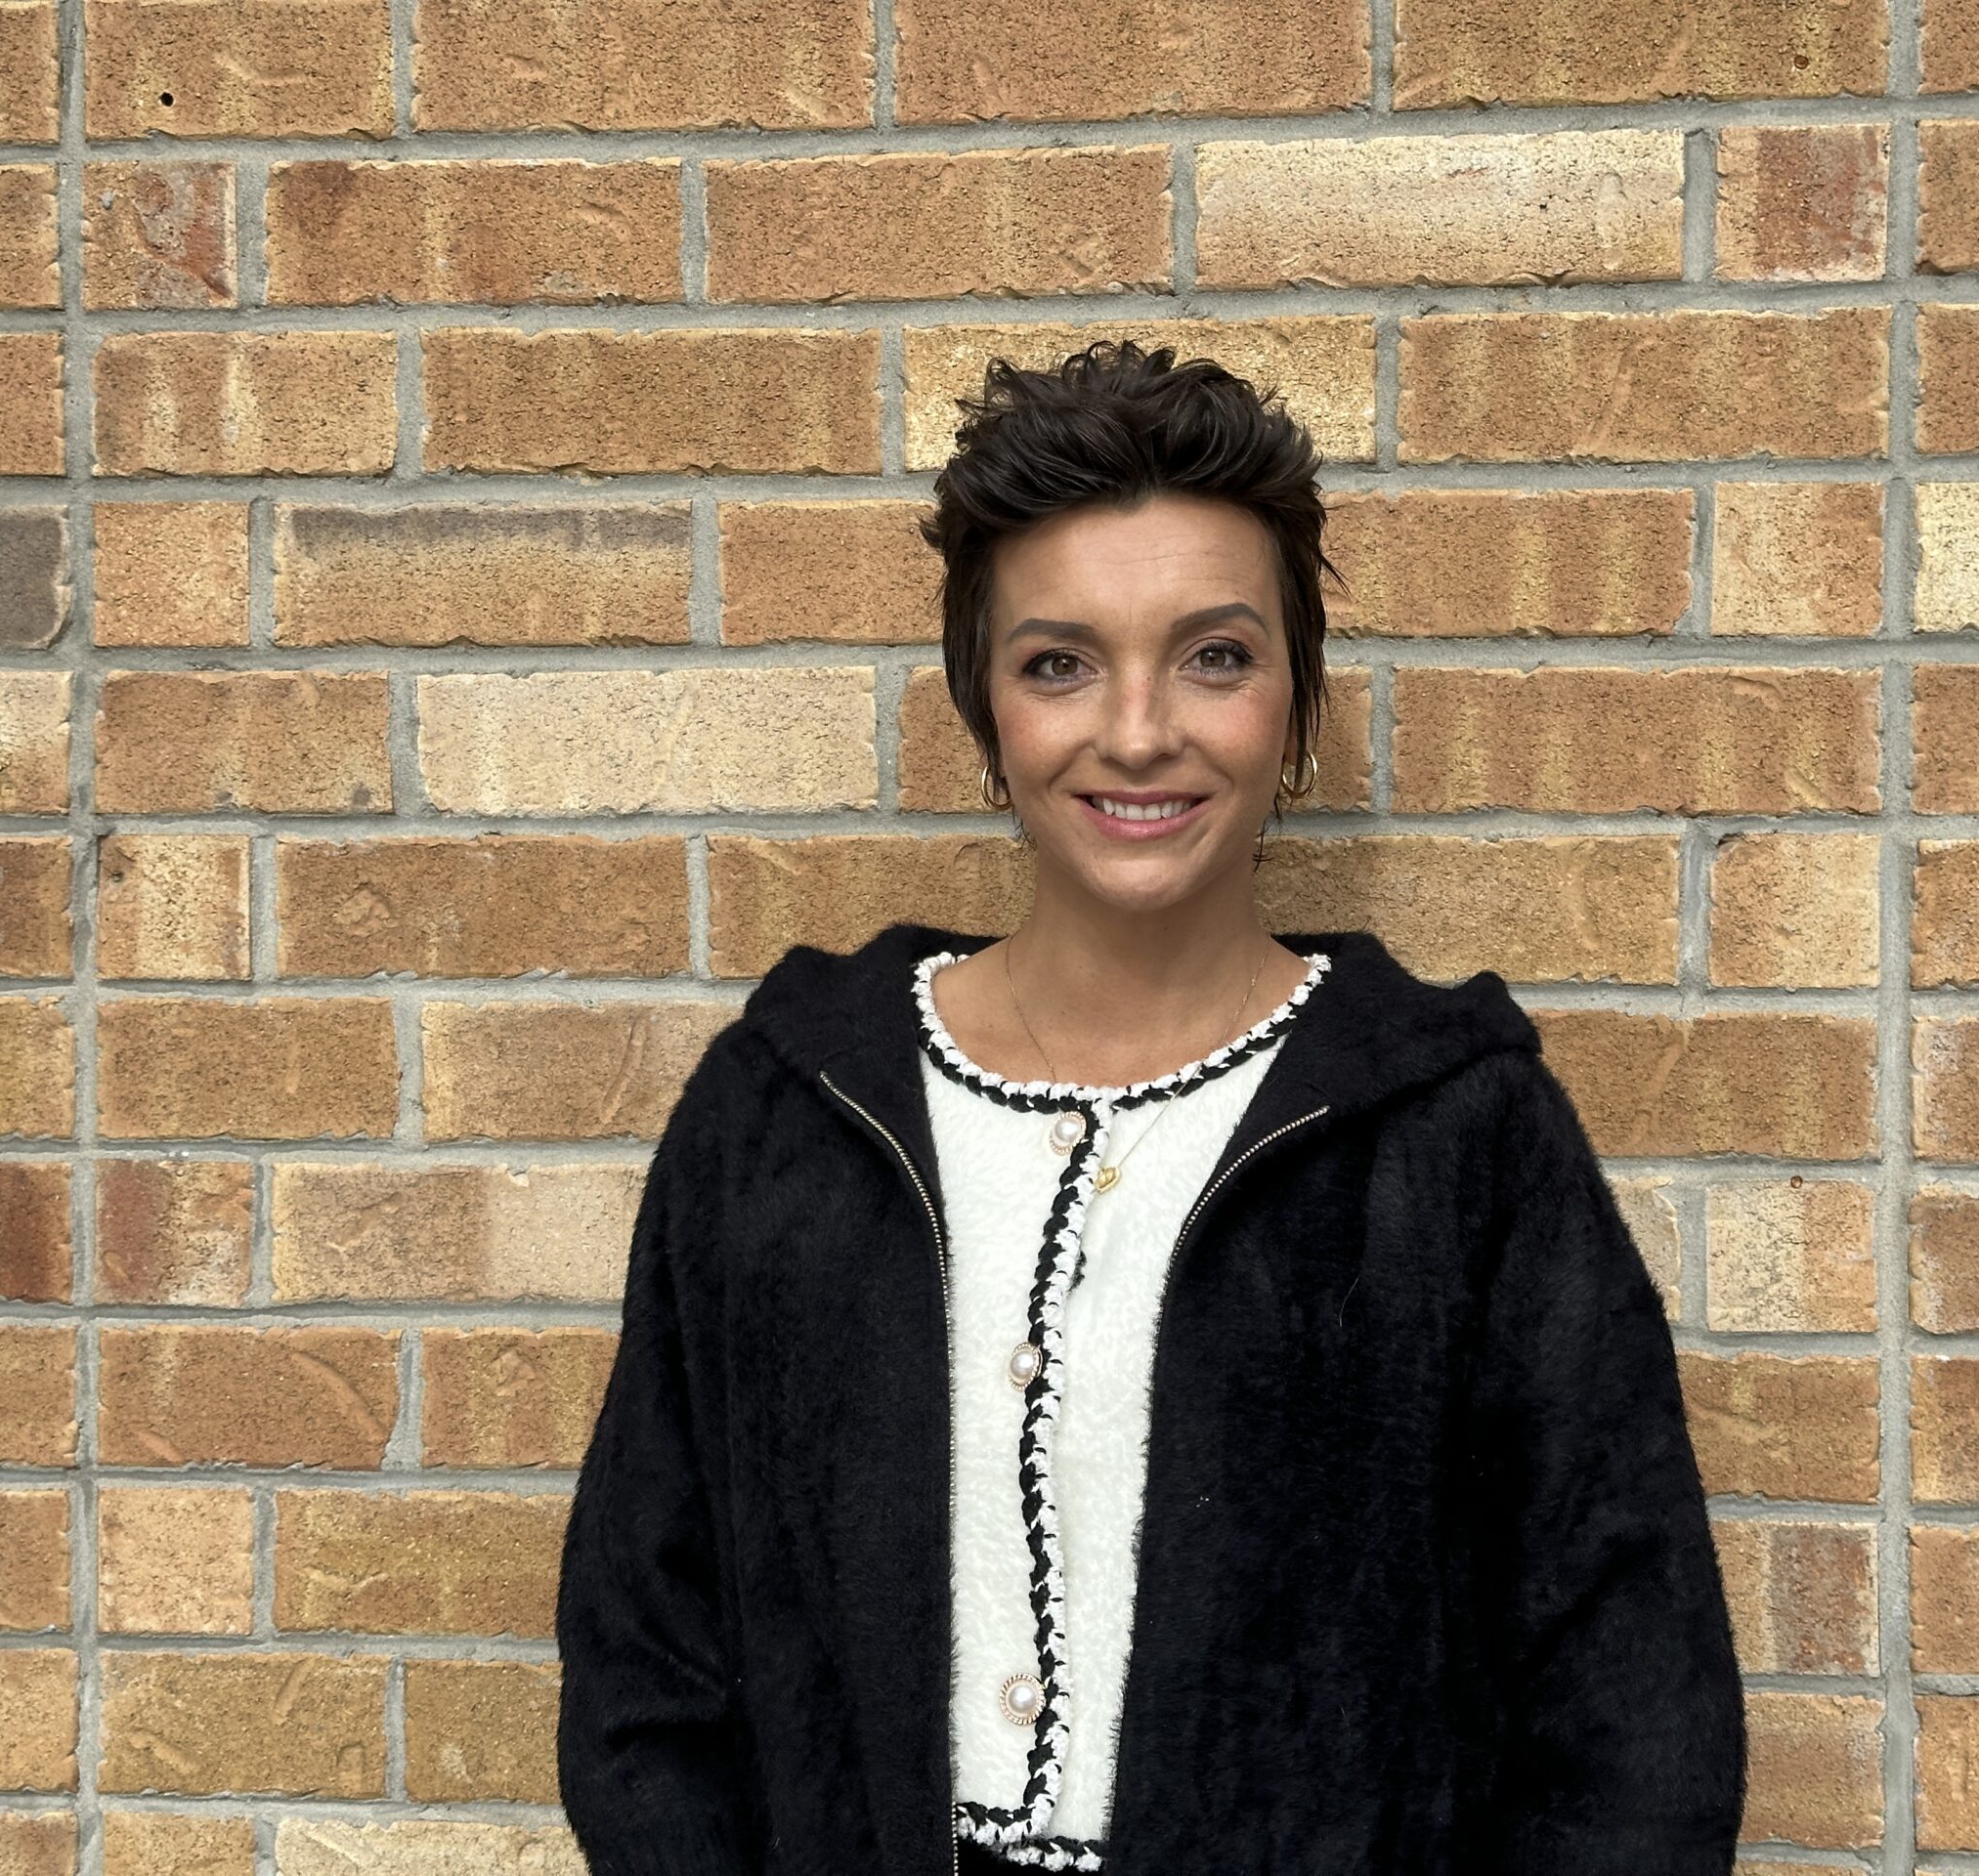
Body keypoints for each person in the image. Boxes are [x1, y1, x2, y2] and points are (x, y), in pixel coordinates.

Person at [554, 339, 1746, 1874]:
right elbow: (649, 1645)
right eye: (1058, 662)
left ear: (1297, 703)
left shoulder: (1458, 1136)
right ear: (983, 713)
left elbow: (1629, 1698)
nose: (1137, 730)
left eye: (1215, 655)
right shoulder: (787, 1111)